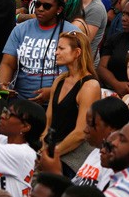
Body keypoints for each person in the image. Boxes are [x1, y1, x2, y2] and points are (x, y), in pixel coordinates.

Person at [0, 0, 81, 103]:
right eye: (37, 4)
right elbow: (7, 63)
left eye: (47, 6)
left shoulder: (72, 32)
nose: (40, 9)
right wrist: (2, 85)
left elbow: (81, 72)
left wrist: (53, 91)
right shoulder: (21, 29)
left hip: (58, 101)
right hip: (20, 100)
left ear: (59, 9)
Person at [45, 31, 100, 176]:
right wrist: (43, 146)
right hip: (52, 151)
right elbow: (48, 119)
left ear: (77, 52)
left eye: (61, 49)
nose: (56, 52)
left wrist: (53, 152)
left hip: (74, 160)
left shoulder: (90, 86)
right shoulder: (59, 80)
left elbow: (81, 132)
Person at [0, 100, 46, 196]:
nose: (2, 116)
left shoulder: (24, 153)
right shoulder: (4, 141)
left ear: (25, 127)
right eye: (5, 111)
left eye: (9, 114)